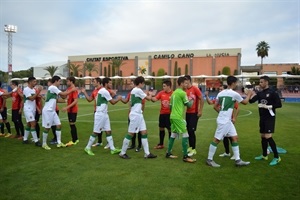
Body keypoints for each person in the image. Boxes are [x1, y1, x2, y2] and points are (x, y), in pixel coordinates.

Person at [206, 76, 252, 167]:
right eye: (236, 83)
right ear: (234, 83)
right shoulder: (234, 94)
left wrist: (222, 113)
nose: (237, 84)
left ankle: (238, 160)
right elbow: (245, 102)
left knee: (234, 138)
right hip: (225, 121)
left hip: (226, 120)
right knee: (216, 139)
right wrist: (249, 94)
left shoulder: (221, 93)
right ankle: (209, 159)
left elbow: (215, 106)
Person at [119, 76, 157, 159]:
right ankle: (122, 152)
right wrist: (150, 94)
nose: (143, 85)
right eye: (143, 83)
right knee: (131, 133)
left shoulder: (135, 90)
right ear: (140, 83)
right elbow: (149, 99)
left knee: (144, 132)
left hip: (138, 114)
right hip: (135, 115)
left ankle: (147, 153)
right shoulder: (137, 90)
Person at [249, 75, 282, 166]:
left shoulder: (273, 92)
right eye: (260, 82)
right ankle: (264, 155)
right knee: (263, 136)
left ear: (266, 82)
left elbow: (279, 104)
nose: (260, 84)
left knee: (268, 136)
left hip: (270, 117)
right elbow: (251, 101)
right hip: (262, 117)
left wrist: (269, 106)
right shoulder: (260, 93)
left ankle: (276, 157)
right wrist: (249, 93)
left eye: (261, 82)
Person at [84, 77, 122, 156]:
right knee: (96, 132)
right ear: (106, 84)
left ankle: (112, 149)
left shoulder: (103, 91)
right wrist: (119, 99)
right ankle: (87, 147)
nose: (111, 85)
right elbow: (113, 102)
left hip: (104, 114)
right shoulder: (104, 91)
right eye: (110, 83)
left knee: (108, 131)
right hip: (100, 114)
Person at [41, 76, 76, 150]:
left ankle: (59, 142)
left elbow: (59, 98)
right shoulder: (53, 87)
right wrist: (72, 90)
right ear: (56, 81)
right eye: (59, 81)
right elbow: (63, 94)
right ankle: (44, 144)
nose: (60, 83)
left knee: (59, 125)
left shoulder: (53, 89)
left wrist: (65, 99)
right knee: (47, 128)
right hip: (48, 111)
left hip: (52, 111)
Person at [165, 76, 195, 163]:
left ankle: (168, 153)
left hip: (172, 116)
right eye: (185, 83)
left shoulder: (174, 93)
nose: (187, 85)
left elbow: (170, 106)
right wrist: (192, 99)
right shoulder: (182, 93)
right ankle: (185, 156)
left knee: (173, 135)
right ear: (181, 83)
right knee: (185, 135)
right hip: (178, 117)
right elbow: (189, 105)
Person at [205, 85, 239, 159]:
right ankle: (227, 153)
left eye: (221, 89)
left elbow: (237, 108)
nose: (220, 91)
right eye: (219, 89)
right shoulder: (220, 97)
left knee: (232, 138)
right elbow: (211, 103)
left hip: (228, 120)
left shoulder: (230, 98)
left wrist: (234, 118)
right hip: (224, 120)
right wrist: (207, 96)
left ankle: (236, 157)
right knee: (226, 138)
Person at [184, 75, 204, 157]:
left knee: (191, 131)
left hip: (194, 113)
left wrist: (200, 110)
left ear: (189, 80)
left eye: (185, 81)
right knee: (188, 131)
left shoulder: (195, 89)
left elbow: (201, 99)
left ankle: (194, 149)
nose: (184, 83)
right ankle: (191, 147)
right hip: (187, 113)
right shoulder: (184, 90)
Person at [121, 79, 143, 152]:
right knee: (132, 131)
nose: (130, 85)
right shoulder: (131, 93)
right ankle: (133, 144)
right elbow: (126, 101)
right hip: (132, 114)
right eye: (130, 84)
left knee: (140, 131)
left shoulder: (138, 92)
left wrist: (141, 112)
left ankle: (139, 145)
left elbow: (143, 103)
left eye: (132, 84)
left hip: (137, 114)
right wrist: (120, 98)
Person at [150, 80, 173, 149]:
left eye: (164, 86)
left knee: (169, 129)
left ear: (168, 86)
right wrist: (150, 96)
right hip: (162, 114)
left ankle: (170, 145)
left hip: (170, 115)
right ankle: (161, 144)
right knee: (161, 128)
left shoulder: (173, 94)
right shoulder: (161, 93)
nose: (163, 87)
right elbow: (154, 100)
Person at [22, 77, 42, 147]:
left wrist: (39, 95)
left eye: (35, 81)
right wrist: (38, 92)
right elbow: (31, 98)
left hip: (33, 109)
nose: (35, 83)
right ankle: (36, 141)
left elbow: (36, 97)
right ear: (30, 82)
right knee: (33, 124)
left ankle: (25, 139)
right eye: (34, 81)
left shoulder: (33, 89)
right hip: (28, 109)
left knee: (29, 124)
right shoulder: (26, 90)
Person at [62, 77, 79, 147]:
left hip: (72, 109)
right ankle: (75, 139)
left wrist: (67, 107)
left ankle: (75, 140)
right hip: (70, 109)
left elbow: (75, 101)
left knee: (72, 124)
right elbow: (64, 97)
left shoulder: (74, 90)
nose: (67, 82)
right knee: (71, 124)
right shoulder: (69, 89)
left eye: (67, 81)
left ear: (71, 82)